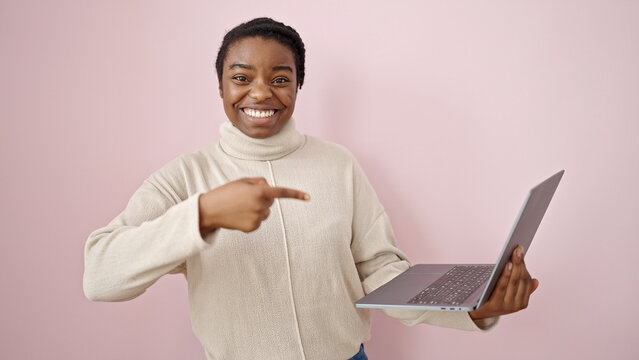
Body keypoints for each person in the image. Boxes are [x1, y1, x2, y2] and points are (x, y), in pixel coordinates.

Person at [83, 17, 539, 360]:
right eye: (241, 77)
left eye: (280, 78)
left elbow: (379, 272)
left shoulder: (338, 164)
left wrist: (473, 308)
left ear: (298, 84)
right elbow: (100, 276)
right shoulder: (184, 178)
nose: (260, 93)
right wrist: (201, 215)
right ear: (220, 85)